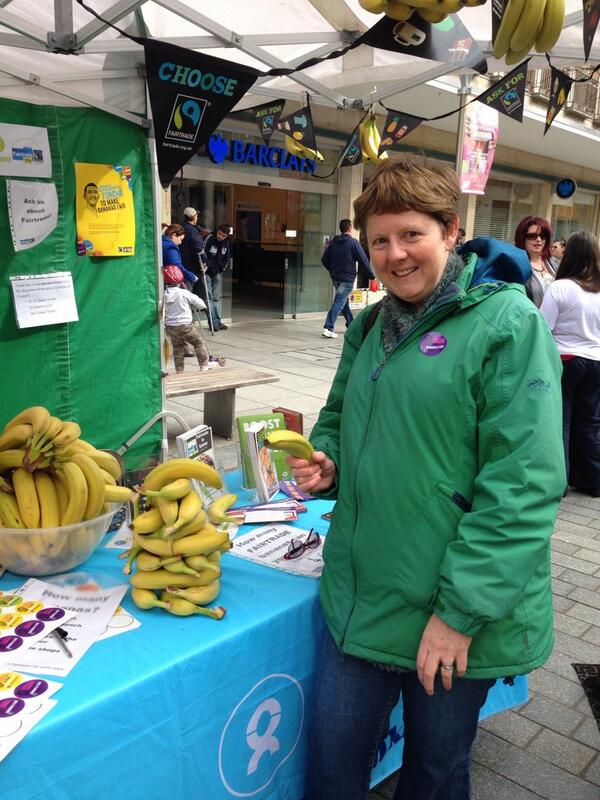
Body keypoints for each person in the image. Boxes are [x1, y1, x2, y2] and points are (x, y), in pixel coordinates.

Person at [288, 159, 565, 800]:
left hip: (450, 607)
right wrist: (326, 463)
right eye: (379, 240)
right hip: (362, 593)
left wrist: (459, 613)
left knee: (435, 774)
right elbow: (337, 420)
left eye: (411, 234)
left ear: (449, 231)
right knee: (332, 767)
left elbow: (523, 484)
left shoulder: (506, 325)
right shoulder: (368, 324)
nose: (394, 254)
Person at [541, 231, 600, 497]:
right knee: (590, 422)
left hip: (565, 360)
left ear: (569, 255)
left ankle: (559, 481)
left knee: (560, 420)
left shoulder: (560, 287)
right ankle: (592, 480)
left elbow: (543, 328)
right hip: (596, 362)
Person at [321, 219, 374, 338]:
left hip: (336, 278)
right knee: (339, 301)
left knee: (343, 301)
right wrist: (372, 276)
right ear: (350, 229)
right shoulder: (353, 242)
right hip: (347, 278)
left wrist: (332, 269)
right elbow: (364, 260)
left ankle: (351, 323)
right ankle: (328, 327)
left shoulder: (334, 242)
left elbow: (324, 259)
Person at [162, 265, 215, 374]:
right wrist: (202, 306)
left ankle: (179, 370)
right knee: (198, 343)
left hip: (171, 327)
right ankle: (204, 366)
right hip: (185, 326)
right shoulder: (184, 293)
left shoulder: (164, 295)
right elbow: (198, 302)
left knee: (178, 348)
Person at [180, 208, 214, 332]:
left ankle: (188, 324)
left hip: (183, 268)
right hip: (194, 269)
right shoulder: (193, 232)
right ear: (194, 217)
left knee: (185, 298)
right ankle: (212, 323)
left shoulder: (181, 228)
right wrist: (205, 260)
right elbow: (199, 249)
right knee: (204, 297)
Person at [514, 215, 555, 307]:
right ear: (522, 238)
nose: (539, 240)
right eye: (532, 236)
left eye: (543, 236)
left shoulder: (553, 263)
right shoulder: (516, 265)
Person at [201, 224, 231, 331]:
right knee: (209, 298)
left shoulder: (226, 242)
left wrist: (222, 268)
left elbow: (227, 256)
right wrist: (207, 265)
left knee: (216, 298)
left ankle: (218, 321)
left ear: (226, 236)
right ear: (217, 231)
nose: (220, 237)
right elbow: (202, 252)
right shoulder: (210, 239)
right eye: (219, 234)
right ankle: (213, 323)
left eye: (223, 235)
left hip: (217, 272)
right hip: (207, 271)